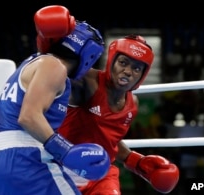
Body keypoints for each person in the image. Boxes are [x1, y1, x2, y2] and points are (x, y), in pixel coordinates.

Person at [0, 5, 110, 195]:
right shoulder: (53, 66)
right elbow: (29, 116)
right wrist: (65, 151)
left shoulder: (31, 63)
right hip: (26, 161)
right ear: (88, 54)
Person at [58, 35, 180, 194]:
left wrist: (137, 162)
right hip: (62, 167)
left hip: (101, 173)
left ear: (142, 75)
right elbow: (55, 70)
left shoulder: (132, 104)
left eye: (136, 68)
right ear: (111, 62)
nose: (128, 71)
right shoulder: (88, 81)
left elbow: (109, 141)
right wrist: (53, 42)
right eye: (123, 63)